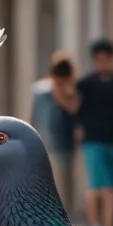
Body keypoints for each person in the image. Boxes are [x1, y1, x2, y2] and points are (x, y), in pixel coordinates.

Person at [55, 38, 113, 226]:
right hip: (92, 141)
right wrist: (59, 84)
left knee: (112, 187)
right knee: (96, 187)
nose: (103, 63)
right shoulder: (86, 84)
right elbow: (71, 104)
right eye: (99, 59)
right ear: (94, 60)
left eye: (106, 59)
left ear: (112, 59)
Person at [29, 51, 77, 215]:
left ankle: (63, 218)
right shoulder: (41, 91)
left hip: (63, 143)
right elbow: (34, 118)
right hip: (47, 143)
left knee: (64, 184)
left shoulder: (71, 92)